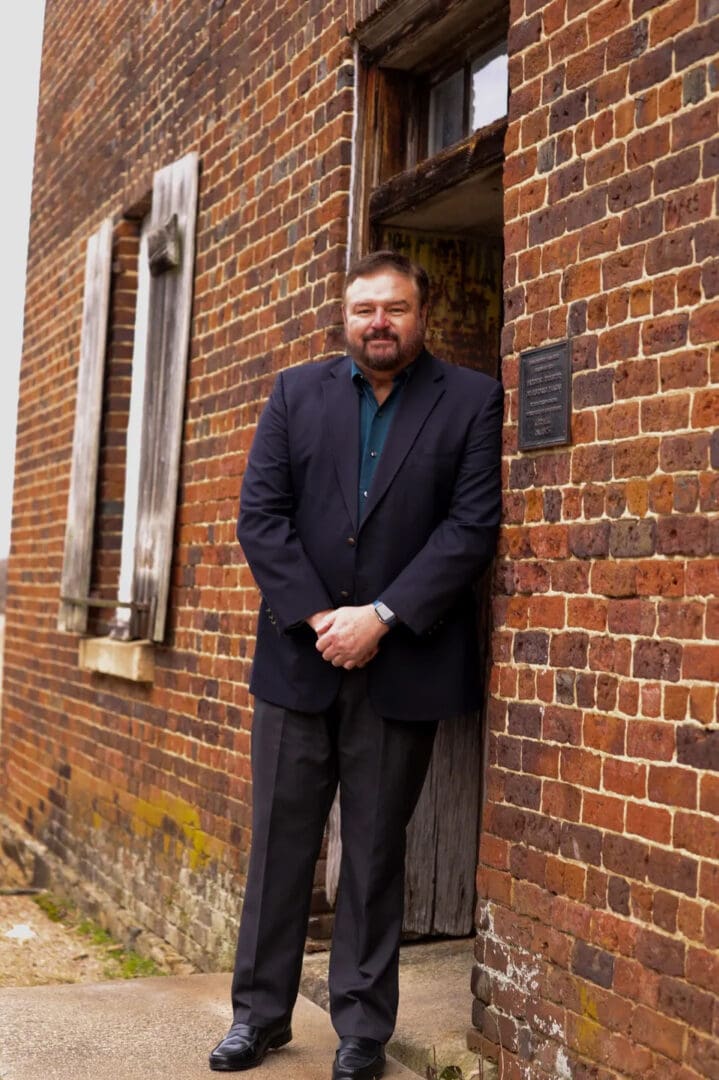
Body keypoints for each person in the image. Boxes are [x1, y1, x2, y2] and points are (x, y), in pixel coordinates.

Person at [209, 250, 504, 1079]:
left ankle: (363, 1033)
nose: (379, 321)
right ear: (344, 316)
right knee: (278, 848)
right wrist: (317, 618)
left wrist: (378, 618)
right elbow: (260, 517)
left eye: (396, 308)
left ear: (422, 315)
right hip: (297, 664)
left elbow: (468, 529)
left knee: (375, 855)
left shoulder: (473, 401)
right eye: (364, 308)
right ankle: (258, 1017)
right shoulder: (293, 394)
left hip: (401, 662)